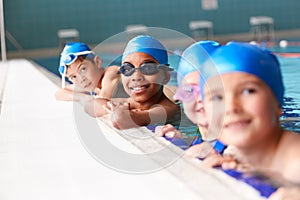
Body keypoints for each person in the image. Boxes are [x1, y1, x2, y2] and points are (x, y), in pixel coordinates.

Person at [199, 41, 300, 199]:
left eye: (248, 91)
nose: (231, 107)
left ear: (278, 102)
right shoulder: (236, 154)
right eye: (217, 97)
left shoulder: (296, 161)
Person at [155, 40, 222, 154]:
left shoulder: (237, 152)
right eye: (190, 90)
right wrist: (180, 141)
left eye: (211, 90)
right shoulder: (198, 142)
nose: (200, 98)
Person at [106, 35, 180, 130]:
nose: (136, 77)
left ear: (165, 76)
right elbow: (91, 106)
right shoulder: (131, 102)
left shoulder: (168, 110)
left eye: (148, 68)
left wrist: (120, 107)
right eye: (128, 69)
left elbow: (120, 120)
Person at [55, 42, 127, 117]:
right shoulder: (92, 84)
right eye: (73, 77)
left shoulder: (111, 74)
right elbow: (60, 93)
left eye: (83, 69)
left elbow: (101, 103)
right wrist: (82, 97)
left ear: (97, 62)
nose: (81, 79)